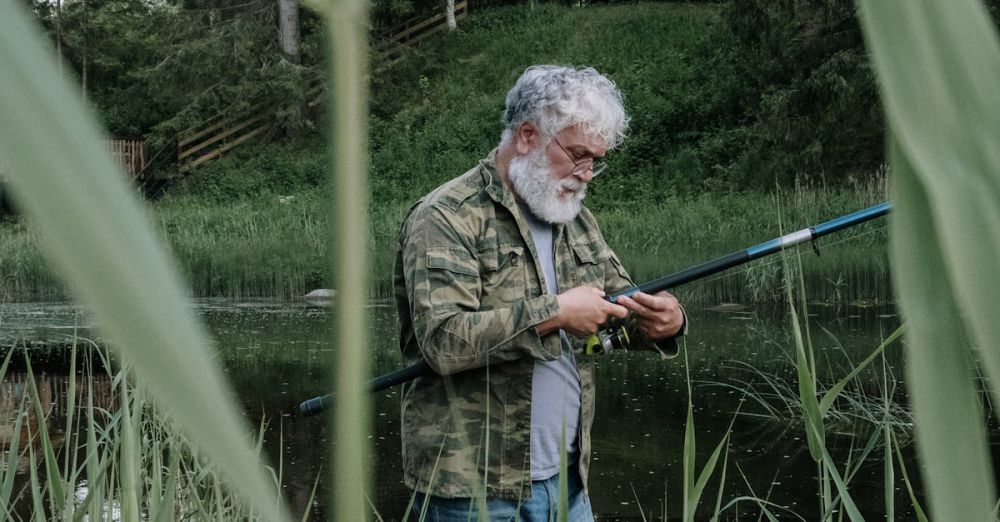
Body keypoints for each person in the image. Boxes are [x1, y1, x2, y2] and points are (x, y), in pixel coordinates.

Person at [393, 65, 687, 521]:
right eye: (578, 155)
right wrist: (556, 314)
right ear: (528, 135)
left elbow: (618, 308)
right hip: (471, 491)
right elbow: (443, 341)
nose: (587, 175)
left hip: (568, 482)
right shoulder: (445, 217)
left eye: (596, 160)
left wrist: (664, 324)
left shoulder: (573, 216)